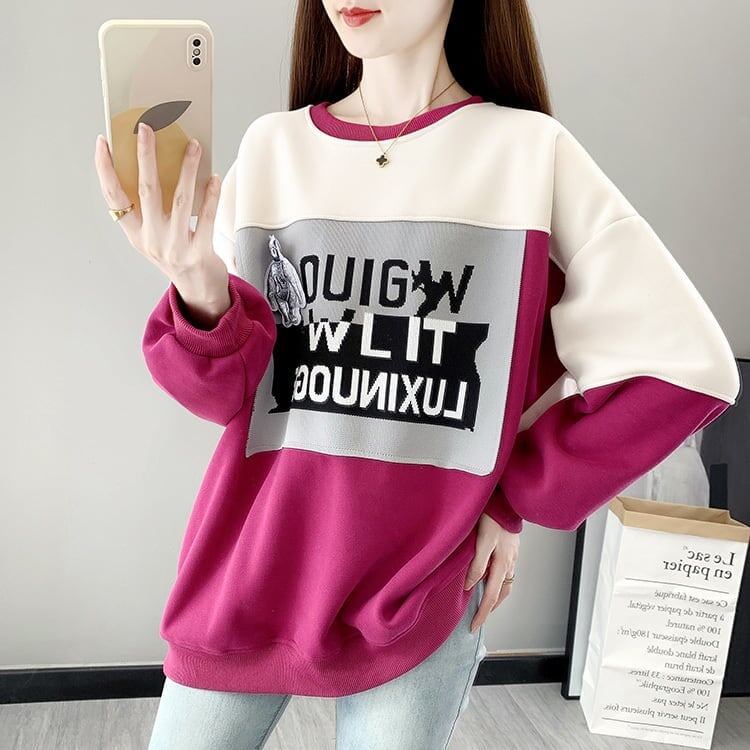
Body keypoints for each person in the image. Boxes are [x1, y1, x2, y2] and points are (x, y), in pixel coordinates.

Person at [93, 1, 740, 748]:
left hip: (418, 592)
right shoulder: (273, 150)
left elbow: (685, 363)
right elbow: (228, 397)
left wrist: (513, 496)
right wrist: (197, 286)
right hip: (252, 568)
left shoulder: (526, 153)